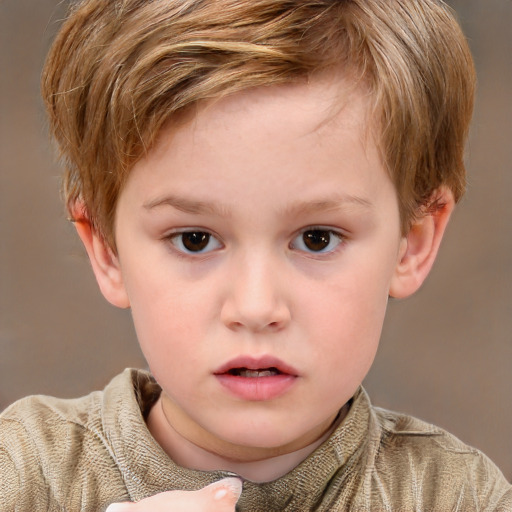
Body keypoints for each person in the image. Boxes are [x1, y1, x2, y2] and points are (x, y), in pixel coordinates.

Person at [1, 0, 511, 510]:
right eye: (194, 239)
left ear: (413, 241)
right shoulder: (24, 470)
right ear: (107, 250)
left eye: (316, 238)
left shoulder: (459, 496)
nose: (256, 308)